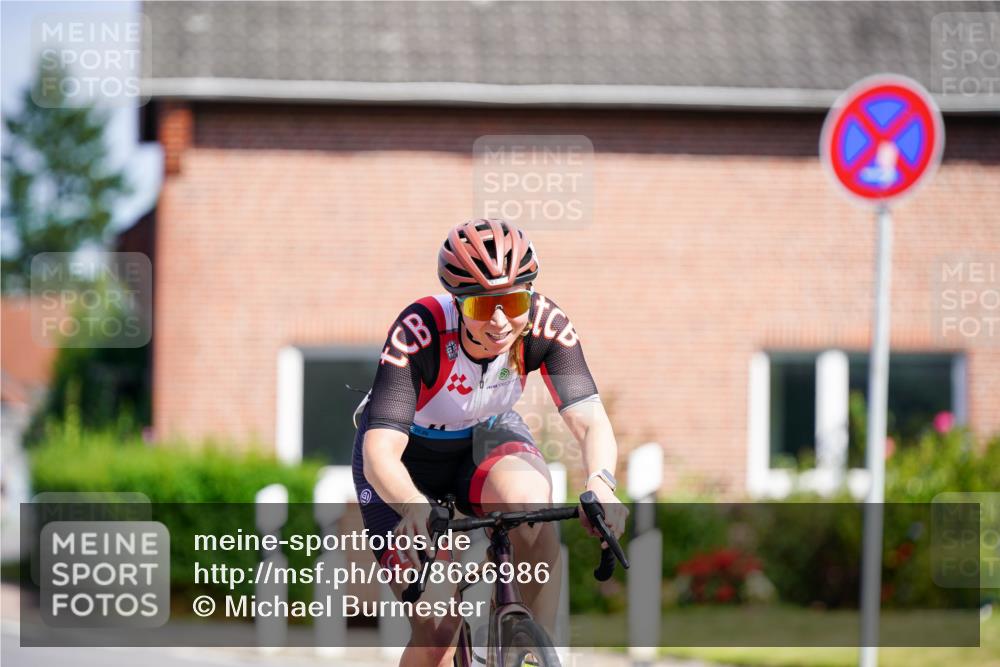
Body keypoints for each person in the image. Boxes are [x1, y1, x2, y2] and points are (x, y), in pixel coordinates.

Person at [352, 218, 628, 666]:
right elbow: (379, 454)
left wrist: (601, 483)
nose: (501, 321)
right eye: (483, 308)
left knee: (533, 509)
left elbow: (591, 421)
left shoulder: (544, 326)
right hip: (407, 464)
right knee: (438, 626)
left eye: (514, 301)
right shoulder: (419, 331)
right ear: (459, 304)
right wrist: (412, 505)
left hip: (485, 439)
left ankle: (529, 645)